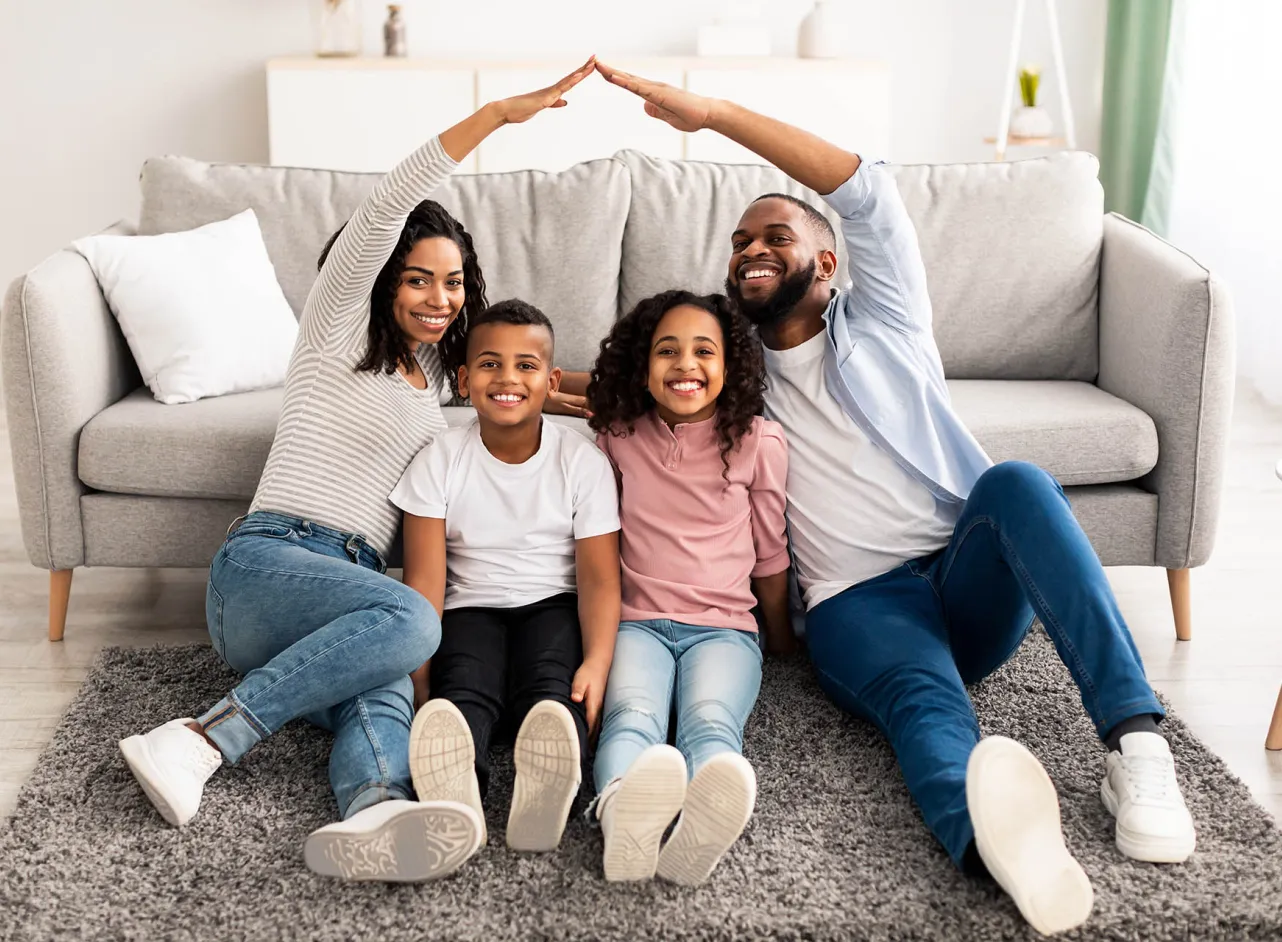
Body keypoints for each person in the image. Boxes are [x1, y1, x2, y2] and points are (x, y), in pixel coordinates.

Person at [597, 62, 1196, 934]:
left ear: (828, 263)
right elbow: (625, 384)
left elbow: (867, 192)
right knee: (926, 708)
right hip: (857, 604)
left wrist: (716, 114)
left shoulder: (887, 321)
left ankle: (1137, 744)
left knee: (1018, 484)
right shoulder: (730, 379)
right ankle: (993, 848)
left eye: (773, 237)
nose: (750, 251)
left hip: (964, 572)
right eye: (737, 243)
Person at [116, 58, 598, 884]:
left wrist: (657, 390)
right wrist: (495, 117)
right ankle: (200, 738)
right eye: (418, 278)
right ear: (380, 280)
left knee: (386, 694)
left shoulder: (440, 384)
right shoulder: (337, 326)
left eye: (453, 282)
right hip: (268, 567)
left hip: (349, 603)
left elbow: (527, 381)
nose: (439, 297)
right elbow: (388, 206)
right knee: (418, 623)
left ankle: (375, 813)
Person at [397, 299, 621, 855]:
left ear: (550, 381)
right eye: (491, 364)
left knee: (553, 692)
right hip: (469, 607)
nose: (507, 379)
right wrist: (420, 679)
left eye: (525, 366)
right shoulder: (440, 458)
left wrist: (597, 661)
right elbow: (424, 579)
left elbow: (598, 578)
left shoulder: (582, 459)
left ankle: (545, 793)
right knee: (464, 690)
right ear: (464, 377)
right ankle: (458, 793)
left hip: (554, 604)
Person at [585, 290, 790, 886]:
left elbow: (770, 554)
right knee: (631, 717)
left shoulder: (759, 441)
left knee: (709, 721)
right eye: (667, 351)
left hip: (724, 630)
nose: (685, 365)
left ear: (729, 367)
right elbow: (589, 400)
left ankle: (706, 815)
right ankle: (622, 816)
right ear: (643, 366)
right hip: (637, 623)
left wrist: (779, 639)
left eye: (704, 351)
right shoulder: (618, 435)